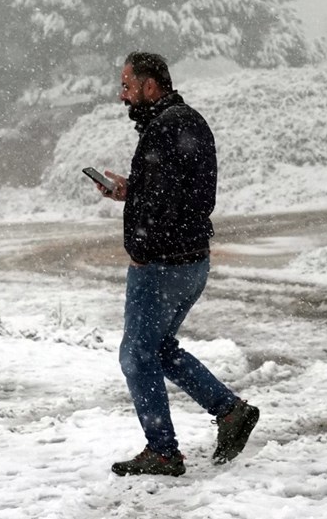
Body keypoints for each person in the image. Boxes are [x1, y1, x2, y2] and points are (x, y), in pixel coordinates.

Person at [93, 51, 259, 477]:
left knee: (135, 354)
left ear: (151, 86)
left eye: (128, 85)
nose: (122, 95)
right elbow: (179, 194)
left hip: (162, 266)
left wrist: (142, 251)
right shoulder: (183, 122)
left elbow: (169, 203)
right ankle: (230, 411)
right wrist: (131, 190)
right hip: (189, 260)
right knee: (159, 349)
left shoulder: (167, 128)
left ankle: (163, 451)